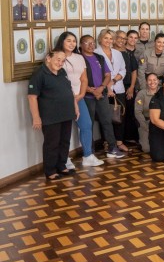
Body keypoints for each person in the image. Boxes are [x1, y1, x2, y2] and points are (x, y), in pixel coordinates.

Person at [28, 49, 77, 180]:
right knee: (52, 144)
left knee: (65, 141)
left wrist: (75, 107)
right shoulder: (39, 74)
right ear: (48, 58)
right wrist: (36, 117)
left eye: (63, 60)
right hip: (50, 116)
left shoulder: (62, 72)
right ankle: (50, 171)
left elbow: (69, 90)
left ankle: (62, 166)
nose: (60, 63)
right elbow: (32, 97)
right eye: (58, 59)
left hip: (66, 113)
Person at [56, 32, 104, 168]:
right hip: (63, 99)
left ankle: (88, 156)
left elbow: (84, 79)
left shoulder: (79, 57)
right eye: (68, 41)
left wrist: (82, 94)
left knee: (86, 125)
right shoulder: (57, 56)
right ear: (62, 42)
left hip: (79, 97)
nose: (72, 44)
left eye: (74, 41)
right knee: (64, 131)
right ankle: (64, 159)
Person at [81, 35, 126, 159]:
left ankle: (112, 148)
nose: (91, 45)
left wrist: (101, 88)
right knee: (88, 124)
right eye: (87, 43)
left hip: (102, 94)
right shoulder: (80, 59)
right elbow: (78, 79)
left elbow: (107, 75)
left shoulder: (99, 57)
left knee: (107, 121)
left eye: (92, 43)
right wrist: (91, 90)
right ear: (81, 45)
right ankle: (90, 153)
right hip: (87, 97)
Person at [97, 29, 129, 153]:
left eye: (111, 38)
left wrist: (113, 82)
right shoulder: (95, 53)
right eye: (106, 38)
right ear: (100, 39)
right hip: (103, 89)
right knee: (105, 117)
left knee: (120, 115)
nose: (108, 41)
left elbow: (123, 70)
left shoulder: (117, 53)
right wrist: (107, 87)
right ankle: (107, 142)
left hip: (118, 88)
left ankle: (119, 142)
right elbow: (96, 74)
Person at [134, 73, 160, 153]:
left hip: (160, 122)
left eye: (154, 80)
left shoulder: (163, 92)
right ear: (146, 82)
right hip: (146, 122)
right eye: (150, 80)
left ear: (158, 81)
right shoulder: (142, 93)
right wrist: (145, 126)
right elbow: (137, 112)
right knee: (146, 149)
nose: (152, 82)